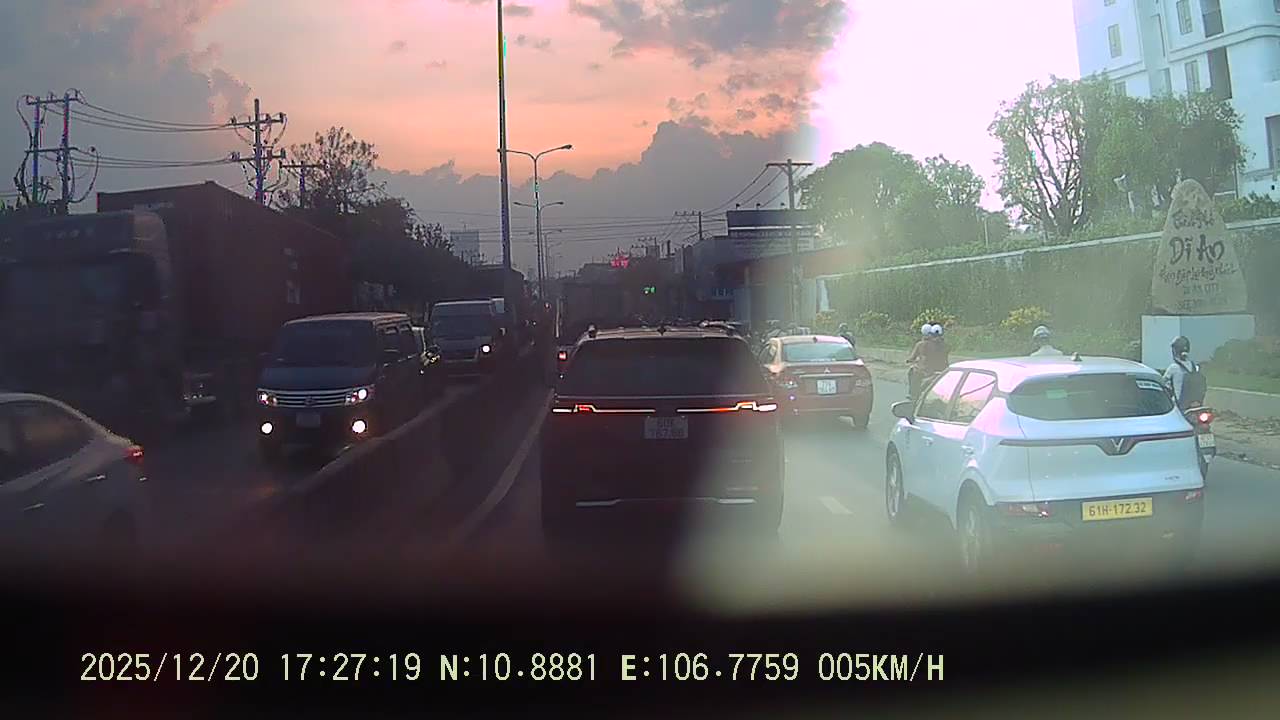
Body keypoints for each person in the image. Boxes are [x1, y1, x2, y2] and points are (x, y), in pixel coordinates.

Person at [1163, 336, 1207, 411]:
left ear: (1175, 351)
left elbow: (1163, 384)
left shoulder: (1173, 368)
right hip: (1195, 404)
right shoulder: (1195, 366)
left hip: (1179, 406)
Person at [906, 324, 949, 399]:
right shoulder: (945, 345)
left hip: (927, 370)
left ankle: (913, 394)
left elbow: (912, 358)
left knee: (913, 371)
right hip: (943, 369)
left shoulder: (922, 344)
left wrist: (909, 360)